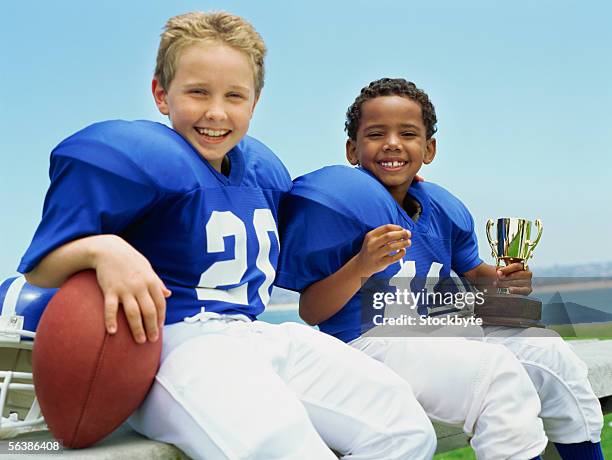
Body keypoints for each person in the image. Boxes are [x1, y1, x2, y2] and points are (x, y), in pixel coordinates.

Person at [17, 14, 442, 460]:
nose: (216, 112)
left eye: (234, 96)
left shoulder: (265, 171)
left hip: (255, 334)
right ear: (162, 94)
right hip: (174, 347)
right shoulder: (135, 158)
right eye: (198, 91)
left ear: (255, 102)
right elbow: (41, 268)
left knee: (405, 428)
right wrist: (104, 248)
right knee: (284, 446)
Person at [276, 78, 603, 459]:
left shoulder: (439, 206)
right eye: (376, 133)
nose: (393, 143)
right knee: (496, 378)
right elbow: (312, 311)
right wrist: (361, 266)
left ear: (428, 149)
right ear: (352, 149)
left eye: (408, 133)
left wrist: (503, 281)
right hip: (365, 340)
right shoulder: (342, 203)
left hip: (437, 329)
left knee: (550, 354)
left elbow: (473, 273)